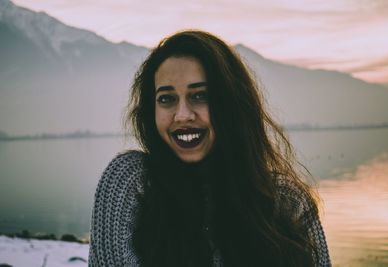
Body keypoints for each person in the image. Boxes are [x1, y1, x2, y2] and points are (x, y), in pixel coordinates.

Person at [89, 30, 331, 267]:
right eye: (166, 99)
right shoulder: (131, 184)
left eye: (200, 96)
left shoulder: (288, 202)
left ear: (232, 103)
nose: (182, 115)